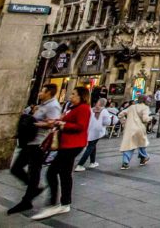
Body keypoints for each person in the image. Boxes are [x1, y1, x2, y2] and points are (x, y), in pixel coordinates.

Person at [28, 86, 90, 221]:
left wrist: (62, 124)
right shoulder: (73, 107)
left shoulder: (84, 108)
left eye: (73, 94)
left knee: (52, 172)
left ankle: (54, 202)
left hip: (73, 145)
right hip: (67, 144)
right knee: (65, 173)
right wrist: (54, 122)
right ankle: (65, 203)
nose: (70, 96)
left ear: (81, 96)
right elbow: (68, 121)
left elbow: (81, 127)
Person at [8, 84, 62, 215]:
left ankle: (28, 199)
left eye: (42, 91)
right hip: (31, 142)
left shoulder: (53, 106)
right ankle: (33, 192)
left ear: (48, 92)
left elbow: (54, 124)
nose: (39, 93)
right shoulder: (43, 105)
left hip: (39, 144)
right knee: (19, 169)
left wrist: (34, 124)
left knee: (32, 172)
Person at [75, 97, 113, 172]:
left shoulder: (92, 109)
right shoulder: (104, 111)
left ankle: (93, 162)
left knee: (92, 145)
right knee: (90, 147)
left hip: (89, 129)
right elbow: (107, 122)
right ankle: (80, 164)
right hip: (97, 131)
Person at [118, 96, 152, 169]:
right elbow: (145, 119)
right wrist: (150, 118)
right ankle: (144, 157)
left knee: (128, 145)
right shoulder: (145, 107)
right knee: (141, 144)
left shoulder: (132, 107)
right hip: (139, 129)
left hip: (129, 129)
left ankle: (125, 163)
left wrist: (124, 122)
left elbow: (120, 114)